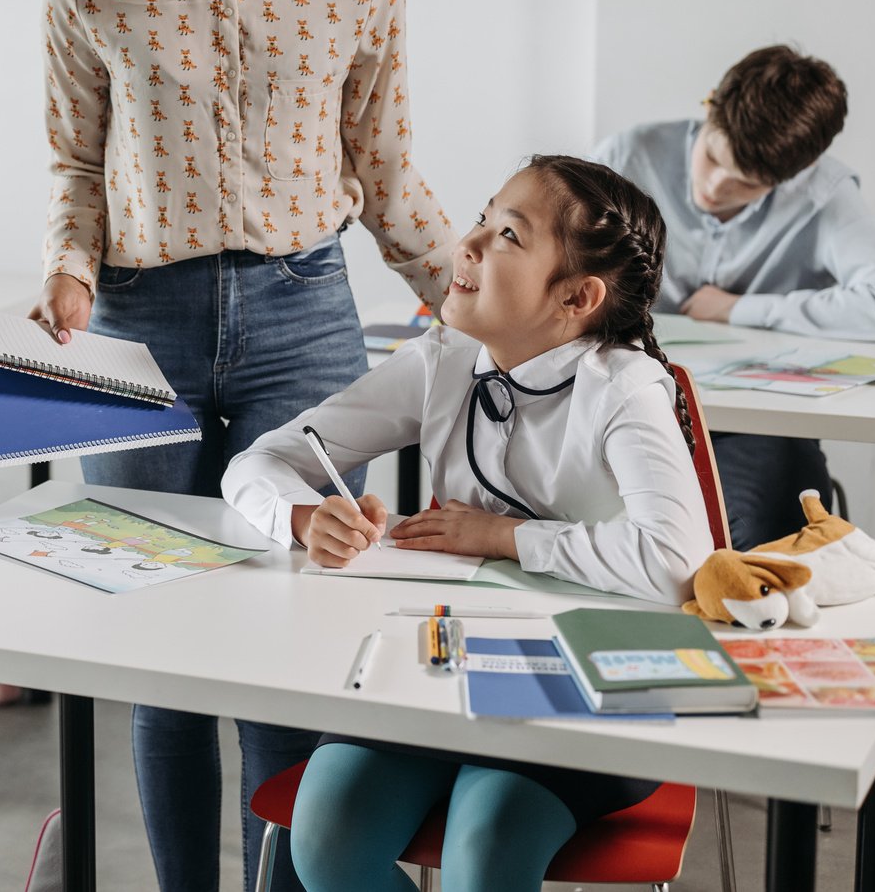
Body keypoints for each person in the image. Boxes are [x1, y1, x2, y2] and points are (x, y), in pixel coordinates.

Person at [26, 0, 458, 891]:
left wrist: (473, 306)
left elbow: (385, 166)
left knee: (286, 631)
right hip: (134, 325)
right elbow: (74, 163)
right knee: (161, 644)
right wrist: (68, 265)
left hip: (303, 312)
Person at [222, 155, 713, 892]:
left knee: (484, 851)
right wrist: (299, 517)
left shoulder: (623, 387)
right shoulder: (442, 360)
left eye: (508, 235)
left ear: (577, 296)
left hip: (587, 688)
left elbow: (676, 559)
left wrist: (501, 535)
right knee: (325, 837)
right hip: (439, 669)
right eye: (482, 218)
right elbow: (255, 463)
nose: (468, 244)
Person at [593, 44, 875, 547]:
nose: (714, 187)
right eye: (712, 157)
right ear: (710, 106)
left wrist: (739, 309)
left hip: (753, 428)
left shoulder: (824, 193)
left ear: (793, 176)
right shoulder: (627, 157)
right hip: (621, 403)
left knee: (774, 530)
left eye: (746, 185)